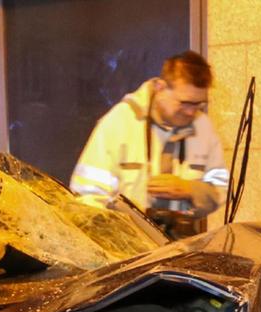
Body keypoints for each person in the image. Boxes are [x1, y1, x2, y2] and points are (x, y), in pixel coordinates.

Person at [70, 51, 229, 227]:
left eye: (199, 104)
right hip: (126, 242)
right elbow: (88, 196)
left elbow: (221, 188)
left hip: (183, 244)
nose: (191, 112)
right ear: (160, 88)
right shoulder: (120, 122)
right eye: (185, 103)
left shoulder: (203, 127)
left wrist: (190, 189)